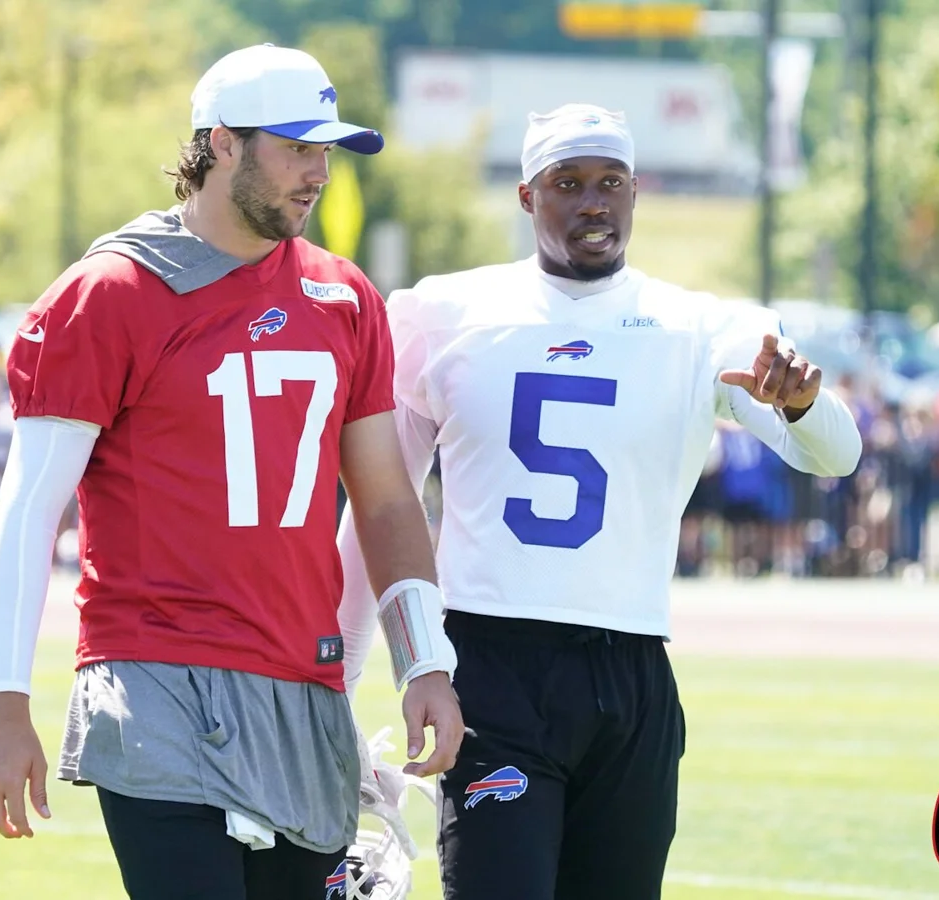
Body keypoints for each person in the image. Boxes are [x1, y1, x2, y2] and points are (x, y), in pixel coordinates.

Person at [0, 44, 463, 900]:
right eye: (296, 148)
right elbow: (29, 507)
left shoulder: (344, 297)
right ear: (222, 143)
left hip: (301, 683)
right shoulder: (111, 291)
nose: (318, 173)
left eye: (325, 151)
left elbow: (386, 502)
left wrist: (425, 661)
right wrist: (3, 700)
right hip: (156, 678)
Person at [336, 104, 863, 900]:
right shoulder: (442, 314)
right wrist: (341, 680)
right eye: (568, 183)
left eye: (611, 183)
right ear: (527, 196)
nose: (593, 203)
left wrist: (802, 405)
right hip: (492, 667)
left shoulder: (699, 328)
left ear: (636, 191)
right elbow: (380, 509)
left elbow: (835, 456)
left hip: (631, 670)